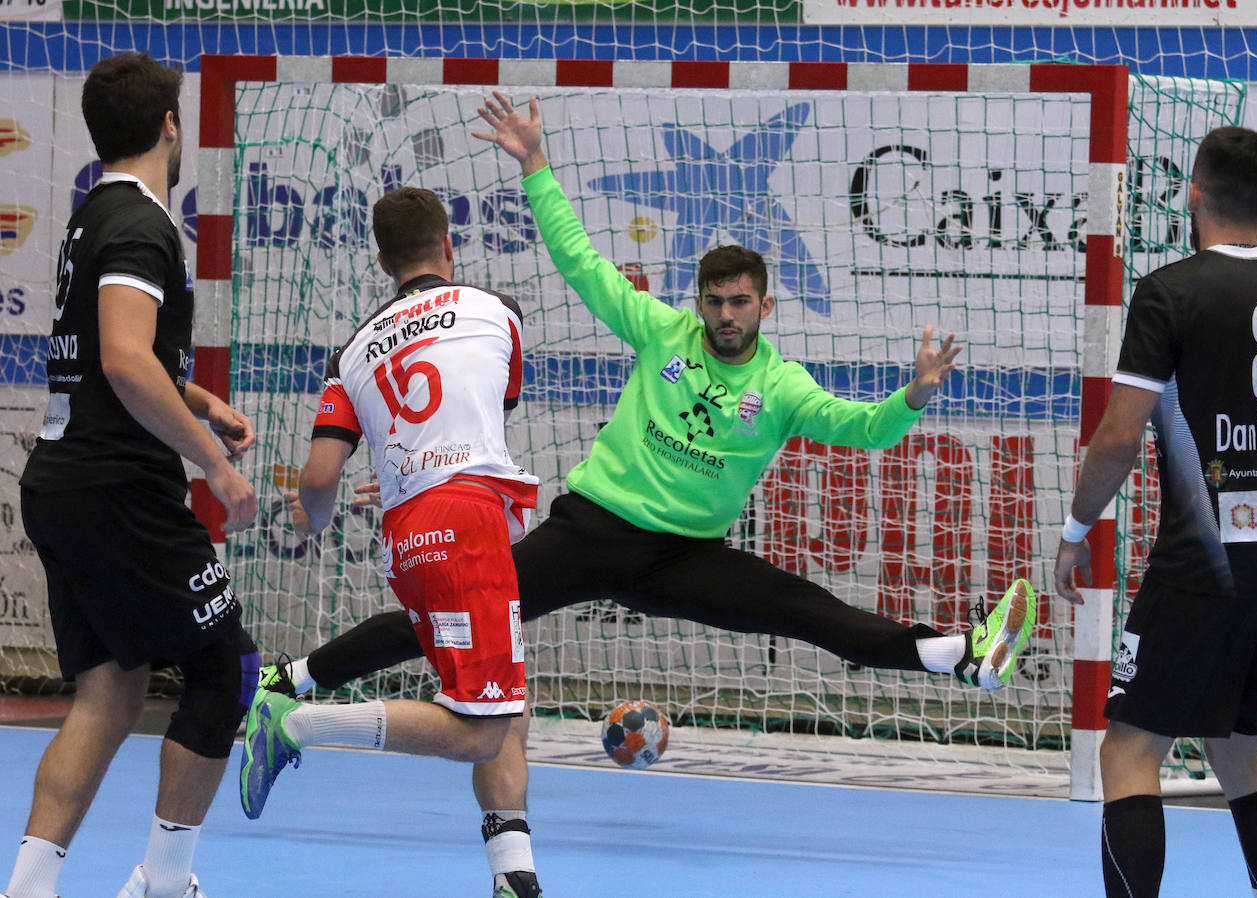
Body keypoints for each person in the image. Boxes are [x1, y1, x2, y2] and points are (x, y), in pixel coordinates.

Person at [255, 91, 1037, 898]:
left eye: (740, 303)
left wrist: (911, 396)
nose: (725, 316)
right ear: (697, 302)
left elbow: (860, 427)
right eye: (714, 301)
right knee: (441, 615)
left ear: (767, 306)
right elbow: (581, 262)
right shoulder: (662, 332)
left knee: (802, 609)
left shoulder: (782, 386)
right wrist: (534, 164)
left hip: (681, 559)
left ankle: (955, 654)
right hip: (591, 532)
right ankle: (293, 681)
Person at [1053, 126, 1257, 898]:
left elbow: (1118, 437)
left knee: (1125, 752)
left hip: (1201, 563)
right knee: (1238, 747)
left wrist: (1075, 530)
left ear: (1193, 192)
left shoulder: (1171, 291)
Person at [3, 53, 261, 898]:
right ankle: (164, 881)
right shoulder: (141, 225)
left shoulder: (94, 215)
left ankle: (30, 886)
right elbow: (122, 359)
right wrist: (216, 466)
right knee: (224, 669)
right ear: (170, 127)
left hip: (66, 479)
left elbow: (118, 354)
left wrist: (199, 399)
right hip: (117, 488)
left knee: (110, 693)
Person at [237, 186, 540, 894]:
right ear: (449, 245)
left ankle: (514, 877)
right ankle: (296, 723)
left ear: (381, 260)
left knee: (502, 705)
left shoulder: (351, 355)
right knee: (484, 729)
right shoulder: (498, 312)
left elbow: (318, 476)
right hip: (467, 525)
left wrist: (318, 513)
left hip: (409, 535)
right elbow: (484, 409)